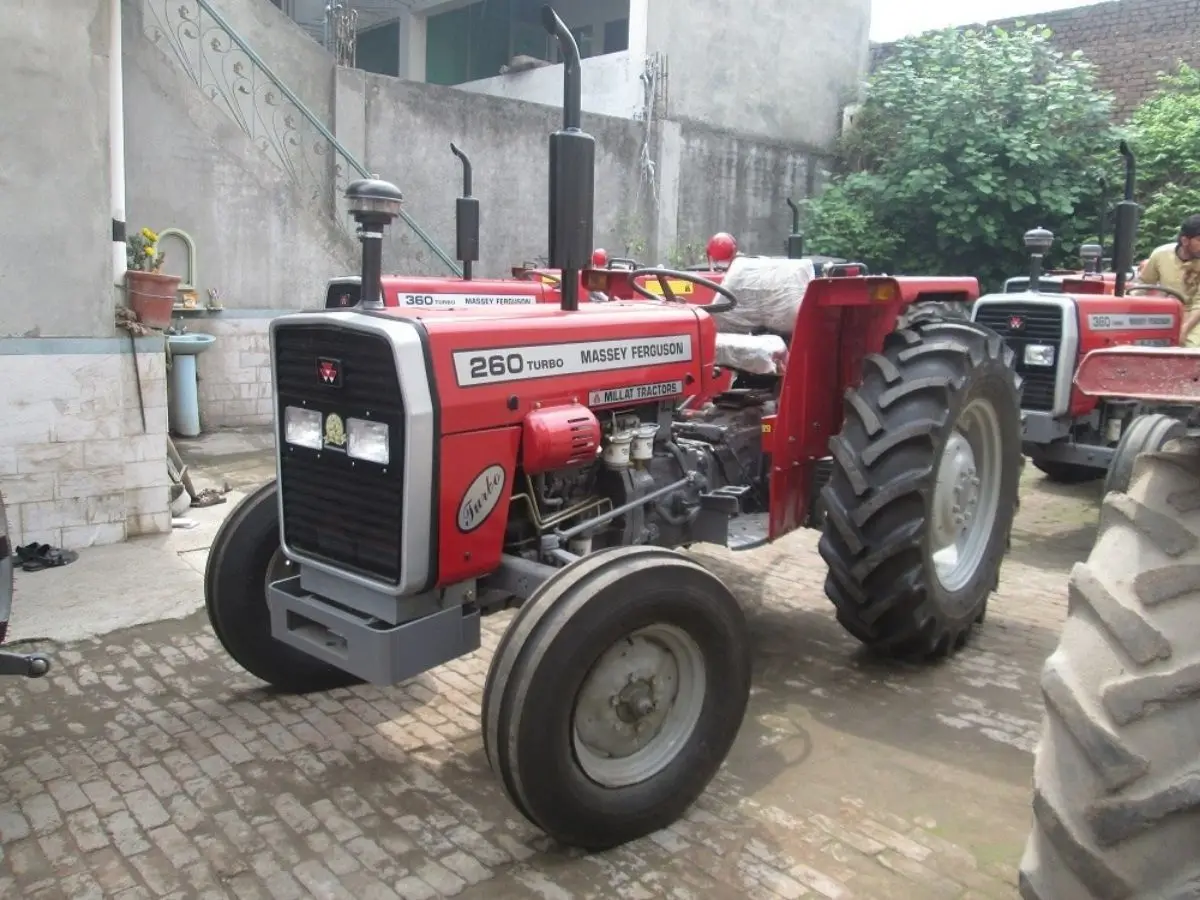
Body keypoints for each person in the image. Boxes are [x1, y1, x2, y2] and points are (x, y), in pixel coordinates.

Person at [1139, 214, 1200, 346]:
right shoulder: (1160, 254)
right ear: (1185, 240)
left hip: (1194, 316)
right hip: (1165, 313)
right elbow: (1144, 285)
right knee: (1140, 343)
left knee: (1191, 348)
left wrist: (1183, 330)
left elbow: (1198, 304)